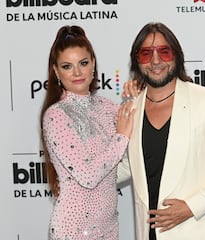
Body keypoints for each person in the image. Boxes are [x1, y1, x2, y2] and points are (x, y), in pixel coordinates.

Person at [118, 22, 205, 240]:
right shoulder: (132, 108)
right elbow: (129, 167)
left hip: (198, 230)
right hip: (149, 233)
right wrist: (79, 181)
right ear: (136, 60)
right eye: (146, 53)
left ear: (176, 56)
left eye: (164, 51)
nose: (156, 60)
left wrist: (190, 207)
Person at [40, 25, 135, 240]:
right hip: (74, 230)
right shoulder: (56, 116)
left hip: (109, 227)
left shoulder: (108, 106)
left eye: (83, 63)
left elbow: (141, 140)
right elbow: (89, 176)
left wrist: (137, 95)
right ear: (56, 71)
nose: (77, 72)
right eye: (67, 66)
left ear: (93, 63)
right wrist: (121, 137)